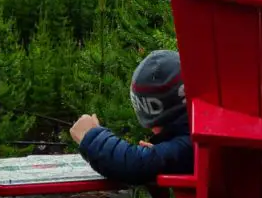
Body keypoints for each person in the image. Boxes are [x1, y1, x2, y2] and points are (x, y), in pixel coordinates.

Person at [70, 49, 193, 185]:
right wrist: (160, 153)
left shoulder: (191, 143)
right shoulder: (197, 133)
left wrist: (91, 137)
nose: (151, 130)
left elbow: (134, 164)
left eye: (153, 123)